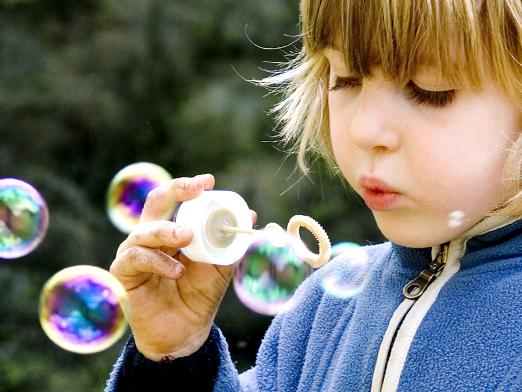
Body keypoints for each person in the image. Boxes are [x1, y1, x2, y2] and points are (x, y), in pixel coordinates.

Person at [105, 0, 522, 390]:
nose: (364, 130)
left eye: (429, 88)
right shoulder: (322, 309)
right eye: (345, 78)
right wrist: (175, 358)